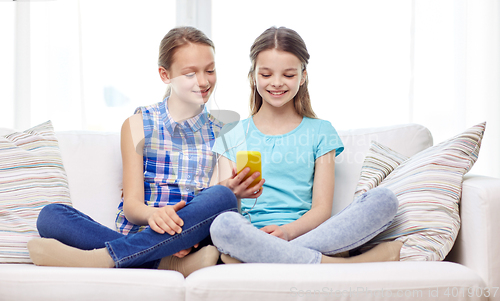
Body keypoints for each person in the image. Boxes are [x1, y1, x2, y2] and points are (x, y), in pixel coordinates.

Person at [27, 26, 261, 276]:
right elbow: (132, 205)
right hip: (144, 230)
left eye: (210, 70)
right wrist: (155, 216)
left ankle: (105, 257)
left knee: (222, 197)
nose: (203, 81)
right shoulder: (137, 124)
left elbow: (220, 206)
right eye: (190, 74)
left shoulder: (224, 131)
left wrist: (234, 190)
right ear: (165, 74)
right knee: (50, 216)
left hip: (192, 235)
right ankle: (166, 263)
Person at [209, 26, 403, 264]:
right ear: (253, 77)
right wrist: (233, 191)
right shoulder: (232, 133)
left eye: (288, 75)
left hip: (307, 234)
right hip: (249, 235)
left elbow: (321, 209)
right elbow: (214, 205)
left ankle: (264, 258)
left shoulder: (320, 132)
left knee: (384, 200)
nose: (277, 83)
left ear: (303, 77)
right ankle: (342, 264)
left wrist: (288, 233)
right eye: (266, 74)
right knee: (222, 225)